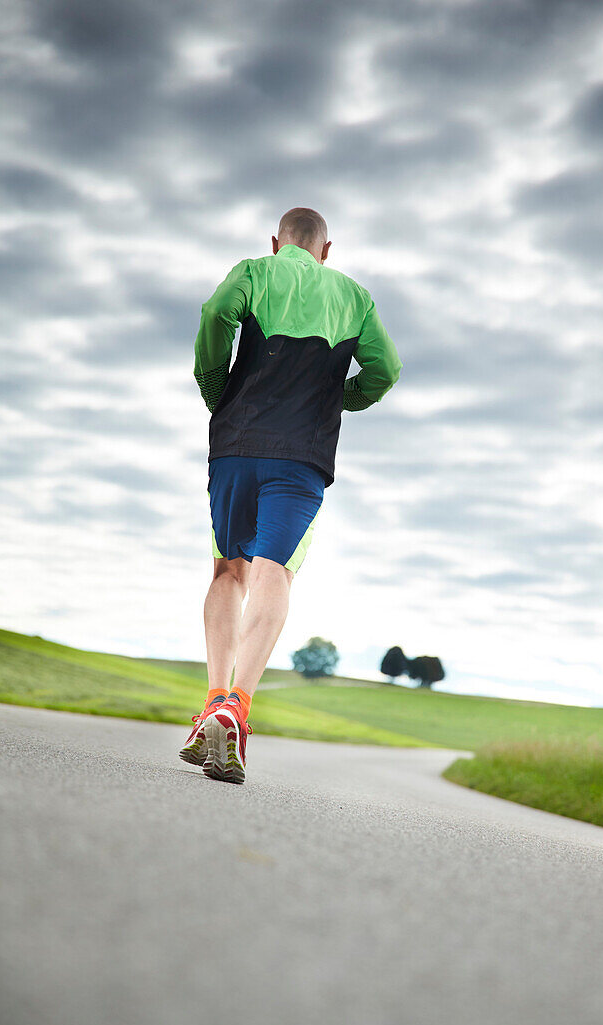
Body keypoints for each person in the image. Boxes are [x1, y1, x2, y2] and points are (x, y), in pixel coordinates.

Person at [180, 207, 402, 783]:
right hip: (300, 457)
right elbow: (387, 369)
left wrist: (216, 388)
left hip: (235, 444)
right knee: (274, 569)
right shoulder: (354, 297)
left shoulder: (255, 271)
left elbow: (214, 314)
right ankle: (237, 707)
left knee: (228, 570)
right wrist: (341, 399)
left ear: (277, 242)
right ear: (327, 251)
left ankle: (210, 699)